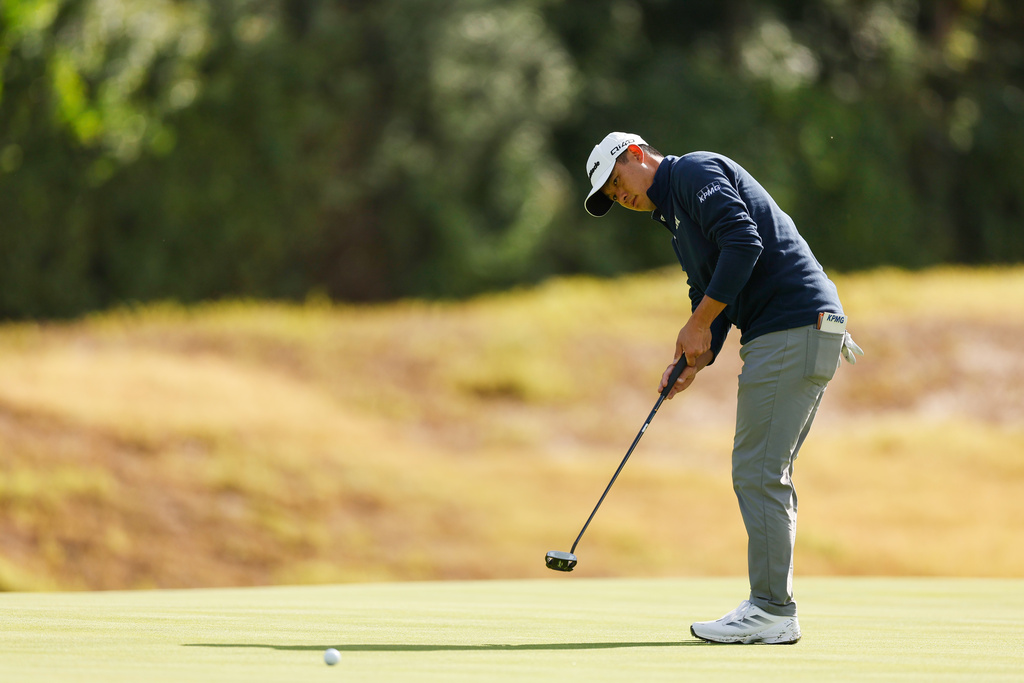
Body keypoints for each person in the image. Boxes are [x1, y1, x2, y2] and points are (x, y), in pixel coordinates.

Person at [583, 132, 862, 645]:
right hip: (796, 328)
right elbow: (711, 289)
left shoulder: (691, 173)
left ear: (636, 155)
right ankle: (771, 606)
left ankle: (772, 610)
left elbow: (743, 243)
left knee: (757, 470)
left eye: (616, 182)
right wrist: (696, 354)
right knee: (762, 469)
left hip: (791, 324)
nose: (619, 197)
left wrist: (697, 325)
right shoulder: (675, 218)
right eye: (610, 195)